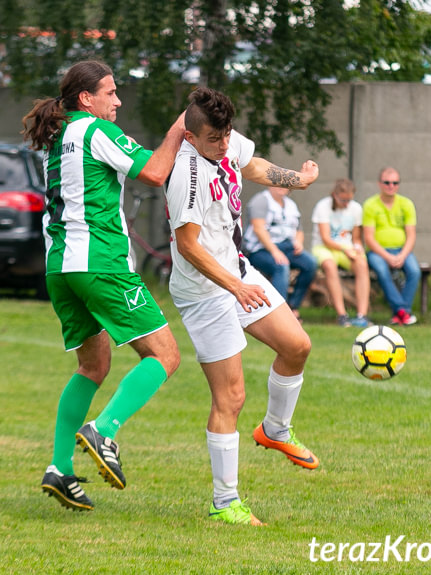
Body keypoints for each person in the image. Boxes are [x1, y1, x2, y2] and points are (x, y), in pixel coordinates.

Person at [21, 61, 185, 512]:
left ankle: (59, 467)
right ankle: (104, 428)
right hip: (100, 264)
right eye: (110, 92)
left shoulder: (58, 137)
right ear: (85, 99)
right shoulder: (95, 130)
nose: (117, 101)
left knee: (93, 367)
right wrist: (179, 127)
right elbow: (153, 171)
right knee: (165, 355)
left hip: (60, 267)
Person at [165, 87, 320, 526]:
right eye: (214, 138)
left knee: (296, 346)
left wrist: (298, 179)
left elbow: (251, 164)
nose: (224, 144)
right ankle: (224, 502)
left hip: (237, 272)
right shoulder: (186, 175)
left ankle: (274, 430)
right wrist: (234, 287)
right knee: (230, 396)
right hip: (204, 290)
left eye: (227, 134)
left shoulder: (226, 143)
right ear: (192, 138)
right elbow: (188, 246)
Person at [243, 187, 317, 322]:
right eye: (278, 184)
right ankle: (280, 314)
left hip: (287, 246)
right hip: (259, 249)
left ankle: (293, 306)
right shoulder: (260, 201)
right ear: (270, 184)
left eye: (285, 185)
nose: (282, 188)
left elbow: (299, 229)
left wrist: (299, 242)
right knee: (281, 266)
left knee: (310, 263)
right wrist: (274, 251)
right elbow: (259, 229)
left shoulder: (291, 205)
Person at [362, 167, 420, 326]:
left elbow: (411, 235)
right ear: (380, 184)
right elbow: (369, 238)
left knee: (415, 271)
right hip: (377, 252)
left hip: (402, 250)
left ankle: (401, 313)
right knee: (382, 270)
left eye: (395, 183)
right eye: (387, 182)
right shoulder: (370, 205)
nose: (391, 186)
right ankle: (403, 312)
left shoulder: (406, 204)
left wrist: (402, 255)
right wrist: (387, 257)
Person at [310, 178, 372, 327]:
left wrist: (357, 248)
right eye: (343, 200)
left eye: (348, 200)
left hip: (347, 247)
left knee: (362, 264)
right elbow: (325, 239)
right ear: (334, 195)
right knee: (330, 266)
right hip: (324, 248)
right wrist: (346, 249)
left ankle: (361, 315)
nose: (346, 204)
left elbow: (356, 237)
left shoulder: (356, 208)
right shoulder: (323, 206)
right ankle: (342, 315)